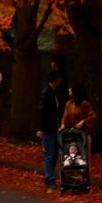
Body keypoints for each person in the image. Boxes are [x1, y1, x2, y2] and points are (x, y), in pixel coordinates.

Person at [37, 59, 69, 189]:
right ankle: (49, 178)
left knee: (54, 153)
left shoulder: (55, 93)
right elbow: (42, 111)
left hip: (56, 128)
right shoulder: (47, 93)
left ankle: (50, 176)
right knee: (50, 154)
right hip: (49, 129)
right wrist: (41, 128)